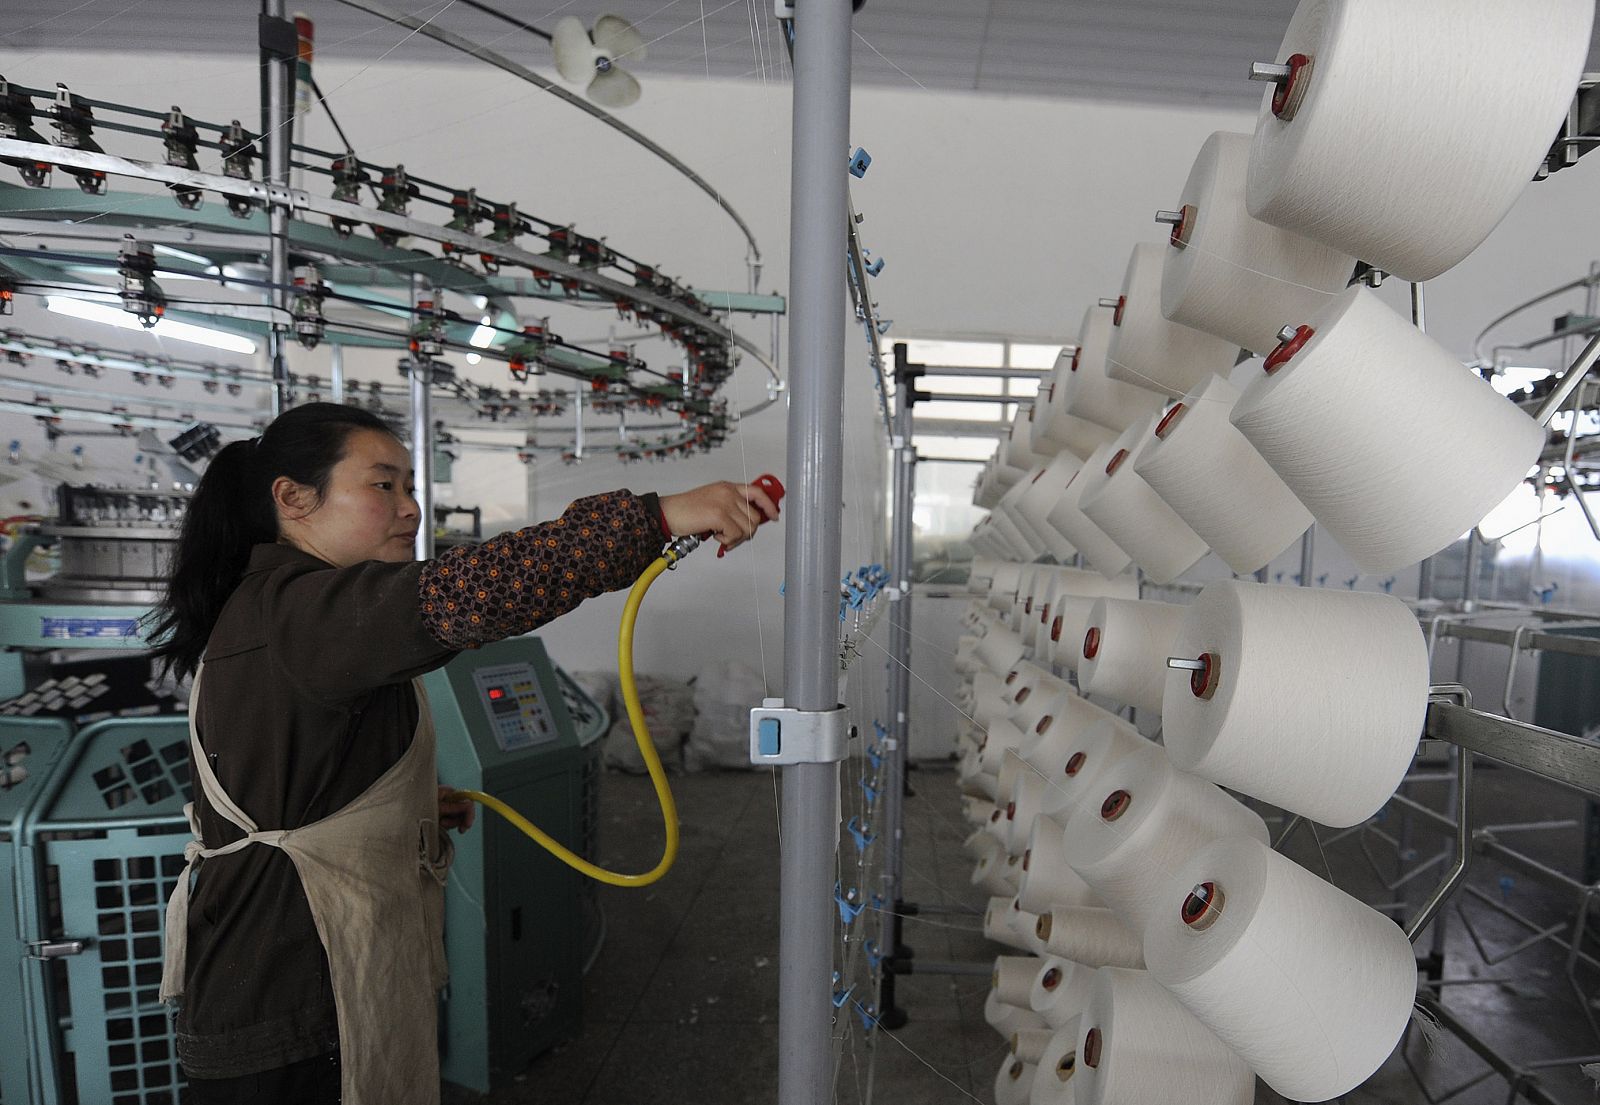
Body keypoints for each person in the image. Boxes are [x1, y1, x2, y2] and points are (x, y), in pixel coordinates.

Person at [151, 402, 779, 1105]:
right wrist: (657, 517)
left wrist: (381, 812)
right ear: (293, 499)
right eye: (382, 485)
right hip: (287, 995)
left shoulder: (289, 605)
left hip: (294, 982)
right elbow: (476, 589)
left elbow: (295, 768)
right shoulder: (300, 609)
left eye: (409, 485)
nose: (410, 507)